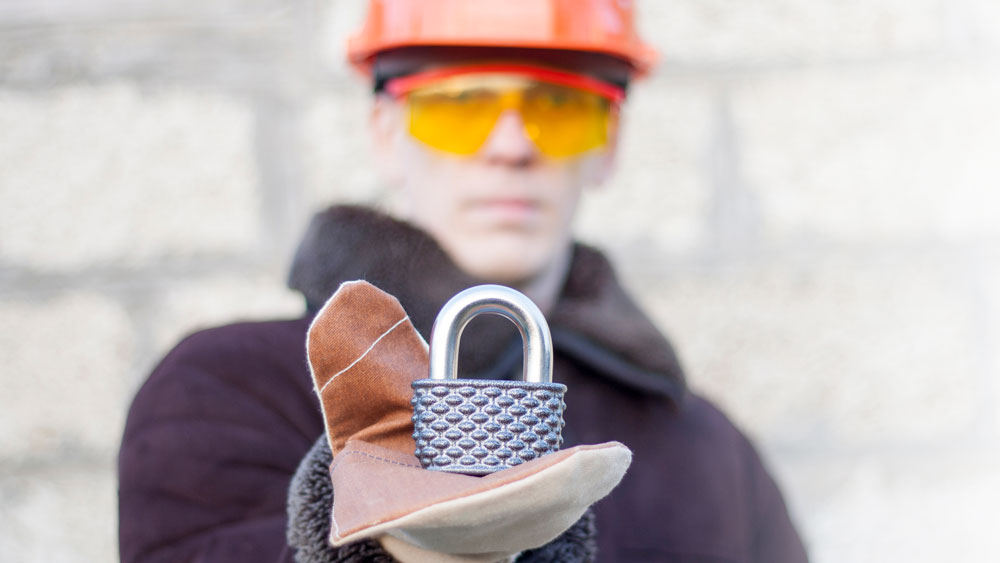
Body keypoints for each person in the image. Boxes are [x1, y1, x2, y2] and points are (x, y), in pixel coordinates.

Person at [118, 1, 809, 561]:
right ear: (387, 134)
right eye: (460, 106)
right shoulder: (225, 391)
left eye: (559, 109)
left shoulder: (710, 453)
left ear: (608, 145)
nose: (511, 147)